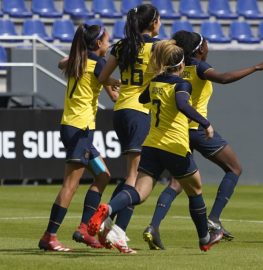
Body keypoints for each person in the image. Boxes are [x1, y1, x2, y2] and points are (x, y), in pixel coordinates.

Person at [142, 30, 263, 250]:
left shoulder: (175, 65)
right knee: (234, 168)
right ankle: (214, 219)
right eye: (205, 43)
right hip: (197, 130)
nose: (208, 45)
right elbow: (223, 78)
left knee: (177, 183)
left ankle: (154, 226)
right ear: (199, 49)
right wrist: (255, 67)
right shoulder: (198, 66)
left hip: (179, 131)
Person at [87, 39, 223, 253]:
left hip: (151, 145)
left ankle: (108, 208)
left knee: (139, 192)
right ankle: (205, 238)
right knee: (195, 188)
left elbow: (142, 99)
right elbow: (182, 104)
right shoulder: (181, 84)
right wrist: (205, 123)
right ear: (180, 66)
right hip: (175, 145)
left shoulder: (155, 82)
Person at [38, 24, 120, 251]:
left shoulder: (80, 60)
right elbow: (112, 86)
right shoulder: (99, 64)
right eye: (106, 41)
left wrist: (111, 84)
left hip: (74, 128)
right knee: (70, 185)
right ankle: (50, 236)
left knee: (103, 175)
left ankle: (84, 229)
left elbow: (61, 63)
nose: (109, 44)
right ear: (97, 44)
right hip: (80, 130)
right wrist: (124, 83)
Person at [95, 4, 161, 252]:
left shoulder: (122, 46)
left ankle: (111, 224)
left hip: (121, 111)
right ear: (153, 22)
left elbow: (102, 77)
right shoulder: (157, 47)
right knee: (137, 178)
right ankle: (115, 229)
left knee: (131, 175)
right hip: (140, 113)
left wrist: (116, 88)